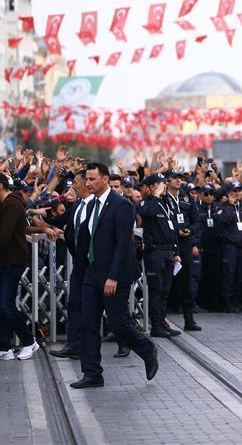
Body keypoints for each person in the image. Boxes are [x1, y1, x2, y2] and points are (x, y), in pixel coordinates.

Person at [71, 162, 157, 389]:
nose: (87, 183)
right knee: (88, 322)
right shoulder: (90, 205)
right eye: (86, 179)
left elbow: (123, 245)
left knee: (118, 323)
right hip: (92, 273)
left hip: (114, 275)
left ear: (105, 180)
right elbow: (86, 241)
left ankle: (146, 349)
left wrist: (113, 276)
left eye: (91, 179)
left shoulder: (122, 206)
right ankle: (92, 373)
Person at [0, 173, 41, 361]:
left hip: (11, 261)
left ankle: (29, 341)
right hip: (2, 261)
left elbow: (4, 236)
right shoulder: (1, 205)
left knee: (6, 305)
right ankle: (3, 346)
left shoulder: (12, 205)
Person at [50, 170, 93, 360]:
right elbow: (56, 220)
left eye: (75, 182)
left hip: (96, 265)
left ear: (86, 183)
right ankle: (74, 345)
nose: (73, 186)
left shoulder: (97, 206)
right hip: (79, 264)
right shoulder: (76, 206)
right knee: (74, 303)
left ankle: (128, 344)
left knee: (110, 309)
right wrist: (38, 221)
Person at [139, 174, 181, 339]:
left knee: (165, 290)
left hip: (168, 252)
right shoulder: (148, 202)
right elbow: (146, 214)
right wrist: (155, 195)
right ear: (150, 187)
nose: (163, 187)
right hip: (154, 252)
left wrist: (176, 252)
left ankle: (162, 322)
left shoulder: (166, 203)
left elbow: (172, 228)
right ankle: (156, 325)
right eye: (159, 184)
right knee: (156, 290)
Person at [165, 171, 200, 331]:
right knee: (164, 283)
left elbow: (196, 221)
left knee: (186, 282)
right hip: (168, 243)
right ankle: (161, 320)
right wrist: (176, 230)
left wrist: (189, 230)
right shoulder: (162, 198)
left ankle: (189, 319)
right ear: (168, 180)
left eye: (181, 178)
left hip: (184, 243)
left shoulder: (187, 198)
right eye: (175, 178)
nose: (179, 181)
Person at [220, 183, 242, 313]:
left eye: (240, 190)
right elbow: (225, 220)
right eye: (235, 190)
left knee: (241, 275)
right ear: (230, 192)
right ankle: (227, 302)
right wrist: (230, 204)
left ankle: (237, 301)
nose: (238, 193)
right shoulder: (224, 206)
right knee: (229, 274)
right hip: (231, 246)